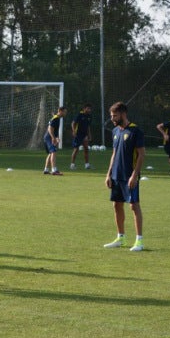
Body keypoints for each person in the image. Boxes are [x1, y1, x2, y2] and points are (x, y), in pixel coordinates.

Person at [103, 102, 145, 252]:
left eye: (115, 116)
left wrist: (134, 175)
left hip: (129, 176)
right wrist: (109, 173)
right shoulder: (115, 131)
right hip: (116, 175)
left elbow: (141, 154)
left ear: (123, 114)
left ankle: (139, 241)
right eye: (111, 116)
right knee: (116, 205)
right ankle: (121, 237)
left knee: (134, 206)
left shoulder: (135, 131)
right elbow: (114, 154)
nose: (112, 118)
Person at [43, 106, 67, 175]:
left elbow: (53, 129)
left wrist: (56, 137)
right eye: (64, 112)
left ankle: (46, 170)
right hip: (49, 137)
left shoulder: (57, 118)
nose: (65, 114)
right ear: (60, 111)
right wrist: (53, 138)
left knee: (51, 153)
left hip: (49, 137)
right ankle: (54, 170)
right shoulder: (56, 118)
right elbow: (50, 129)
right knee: (53, 152)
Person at [70, 104, 93, 170]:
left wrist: (89, 135)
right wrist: (74, 131)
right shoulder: (79, 115)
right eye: (88, 108)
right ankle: (72, 164)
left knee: (86, 149)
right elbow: (73, 123)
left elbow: (88, 126)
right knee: (76, 149)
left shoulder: (89, 116)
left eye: (90, 109)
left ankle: (87, 165)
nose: (89, 110)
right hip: (78, 135)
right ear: (84, 108)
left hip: (84, 135)